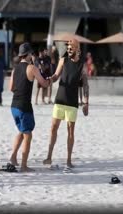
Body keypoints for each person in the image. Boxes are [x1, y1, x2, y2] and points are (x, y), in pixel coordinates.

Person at [43, 38, 89, 170]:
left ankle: (68, 160)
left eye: (71, 47)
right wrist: (51, 79)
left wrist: (86, 102)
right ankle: (49, 156)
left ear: (77, 49)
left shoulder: (82, 65)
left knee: (70, 131)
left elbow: (85, 85)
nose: (68, 49)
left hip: (72, 102)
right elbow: (56, 75)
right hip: (60, 99)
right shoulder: (63, 60)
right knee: (53, 128)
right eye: (67, 47)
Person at [9, 42, 51, 172]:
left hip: (14, 106)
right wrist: (50, 80)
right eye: (32, 53)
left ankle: (13, 157)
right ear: (28, 55)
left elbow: (11, 88)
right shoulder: (32, 68)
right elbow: (43, 84)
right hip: (24, 106)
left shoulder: (15, 69)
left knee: (22, 131)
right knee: (28, 135)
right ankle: (23, 165)